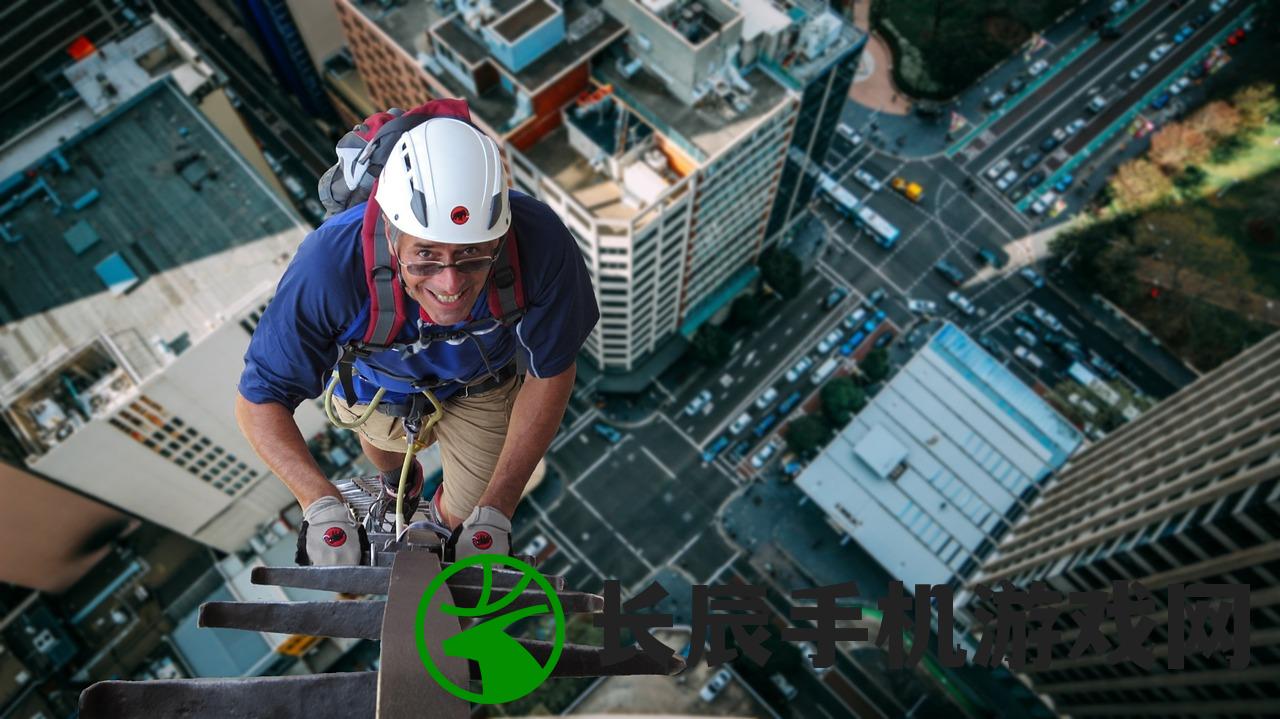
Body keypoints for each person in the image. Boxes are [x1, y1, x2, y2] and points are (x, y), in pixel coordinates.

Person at [235, 116, 598, 566]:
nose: (450, 284)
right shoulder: (330, 265)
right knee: (382, 440)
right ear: (391, 235)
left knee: (472, 508)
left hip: (481, 382)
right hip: (379, 382)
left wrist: (498, 507)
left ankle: (436, 531)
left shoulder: (539, 242)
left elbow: (552, 371)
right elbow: (260, 398)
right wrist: (319, 502)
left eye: (472, 254)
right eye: (426, 255)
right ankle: (397, 486)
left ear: (500, 237)